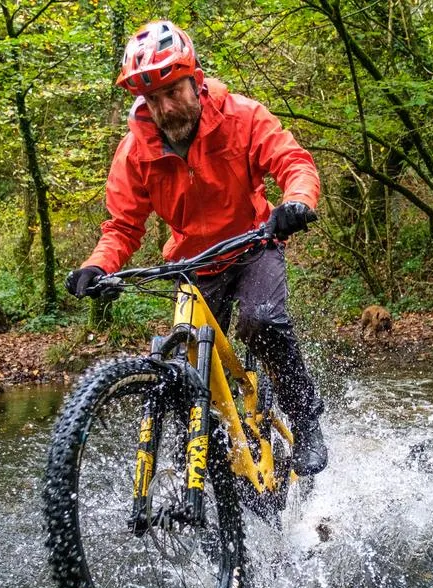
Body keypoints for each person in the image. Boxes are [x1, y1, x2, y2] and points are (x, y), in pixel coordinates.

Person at [65, 20, 327, 476]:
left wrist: (296, 202)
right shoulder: (135, 152)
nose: (166, 107)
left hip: (253, 245)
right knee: (193, 374)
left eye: (173, 92)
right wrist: (96, 266)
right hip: (192, 266)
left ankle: (305, 421)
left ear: (195, 79)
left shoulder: (243, 116)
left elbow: (293, 163)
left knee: (261, 320)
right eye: (153, 99)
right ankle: (221, 466)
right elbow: (123, 226)